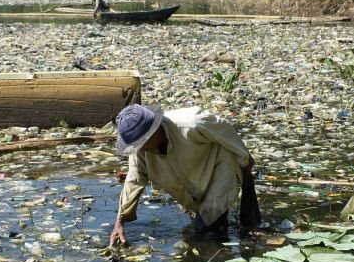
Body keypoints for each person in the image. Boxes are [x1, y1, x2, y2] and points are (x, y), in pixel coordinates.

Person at [110, 104, 259, 245]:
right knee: (208, 222)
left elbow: (224, 128)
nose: (140, 149)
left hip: (220, 167)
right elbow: (134, 180)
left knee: (202, 231)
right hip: (195, 179)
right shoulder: (139, 151)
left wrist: (244, 160)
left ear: (153, 131)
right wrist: (120, 222)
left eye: (142, 143)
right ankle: (221, 229)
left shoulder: (192, 123)